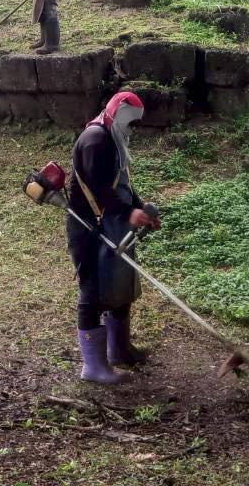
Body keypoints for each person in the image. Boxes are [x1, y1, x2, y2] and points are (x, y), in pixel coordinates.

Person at [68, 92, 162, 384]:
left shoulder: (114, 137)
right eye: (130, 122)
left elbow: (121, 181)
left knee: (120, 282)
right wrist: (127, 213)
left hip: (114, 224)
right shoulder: (96, 140)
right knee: (93, 291)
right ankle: (93, 367)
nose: (131, 129)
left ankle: (119, 349)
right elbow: (98, 188)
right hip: (90, 226)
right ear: (119, 115)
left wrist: (139, 208)